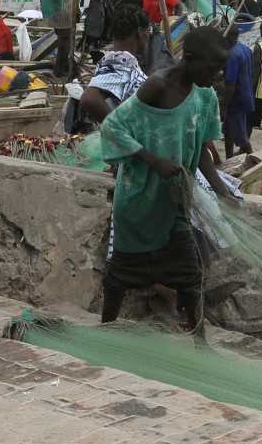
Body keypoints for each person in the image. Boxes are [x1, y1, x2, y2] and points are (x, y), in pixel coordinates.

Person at [98, 28, 238, 333]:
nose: (215, 76)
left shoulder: (206, 96)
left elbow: (201, 149)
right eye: (211, 68)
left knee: (190, 273)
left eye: (219, 70)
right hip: (138, 200)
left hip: (174, 202)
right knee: (120, 277)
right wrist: (154, 161)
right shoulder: (157, 86)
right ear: (188, 59)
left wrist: (221, 191)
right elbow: (113, 128)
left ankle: (200, 343)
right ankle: (104, 332)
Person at [77, 4, 152, 131]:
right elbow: (89, 99)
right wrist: (120, 132)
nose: (149, 37)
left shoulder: (113, 58)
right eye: (148, 32)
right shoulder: (121, 60)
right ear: (140, 33)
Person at [221, 33, 257, 158]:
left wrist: (224, 106)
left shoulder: (232, 55)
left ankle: (253, 158)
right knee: (228, 132)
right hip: (246, 95)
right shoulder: (246, 49)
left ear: (230, 37)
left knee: (241, 137)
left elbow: (230, 83)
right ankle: (229, 159)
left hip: (236, 99)